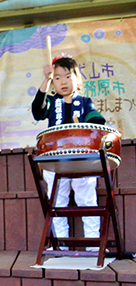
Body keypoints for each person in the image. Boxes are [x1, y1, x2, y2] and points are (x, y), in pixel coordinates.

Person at [31, 54, 105, 248]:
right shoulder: (51, 103)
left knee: (87, 200)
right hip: (56, 161)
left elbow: (98, 124)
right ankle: (61, 244)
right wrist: (45, 81)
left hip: (82, 160)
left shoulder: (85, 102)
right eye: (57, 77)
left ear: (78, 80)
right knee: (57, 202)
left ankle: (93, 244)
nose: (62, 82)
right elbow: (37, 111)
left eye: (67, 76)